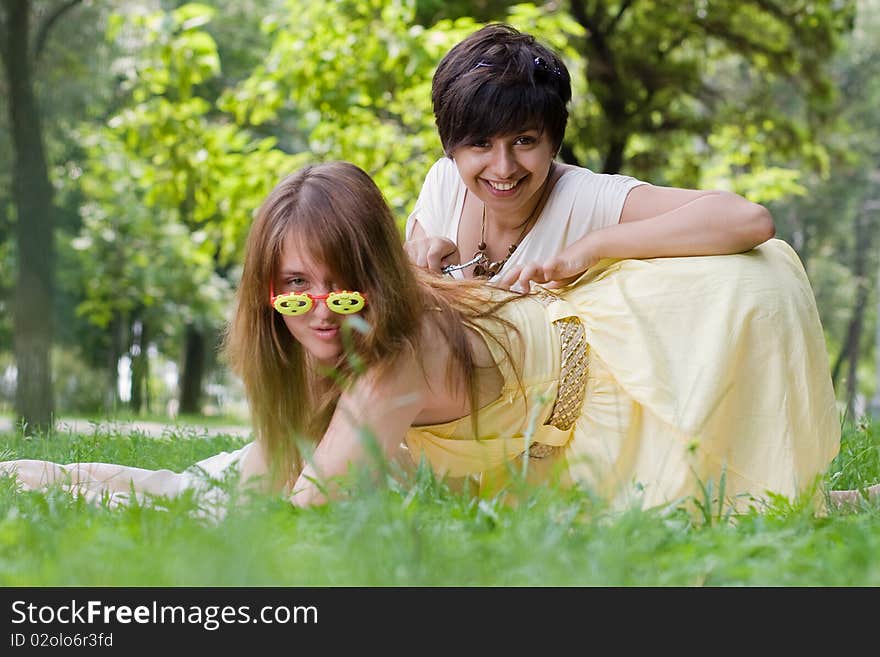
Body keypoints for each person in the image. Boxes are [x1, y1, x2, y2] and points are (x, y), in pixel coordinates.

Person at [1, 161, 877, 513]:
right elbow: (263, 470)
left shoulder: (391, 366)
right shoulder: (329, 329)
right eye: (292, 284)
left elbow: (298, 517)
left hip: (615, 372)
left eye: (337, 283)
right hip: (536, 366)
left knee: (734, 500)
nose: (315, 306)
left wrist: (124, 493)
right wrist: (68, 476)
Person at [404, 23, 775, 289]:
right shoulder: (444, 182)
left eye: (524, 141)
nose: (503, 167)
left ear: (554, 140)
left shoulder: (586, 199)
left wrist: (594, 247)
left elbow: (748, 220)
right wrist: (415, 257)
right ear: (450, 143)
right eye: (481, 144)